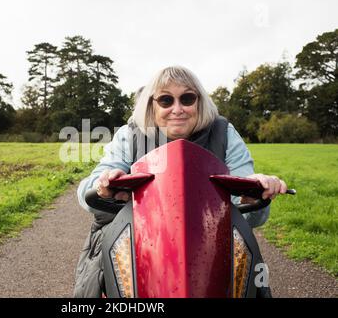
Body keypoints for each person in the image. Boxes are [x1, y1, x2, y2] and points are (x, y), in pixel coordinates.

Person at [73, 65, 287, 297]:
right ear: (151, 105)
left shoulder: (224, 132)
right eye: (166, 100)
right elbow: (88, 191)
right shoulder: (130, 134)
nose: (178, 109)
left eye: (187, 98)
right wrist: (105, 184)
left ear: (199, 102)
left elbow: (250, 216)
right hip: (137, 241)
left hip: (212, 241)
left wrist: (253, 191)